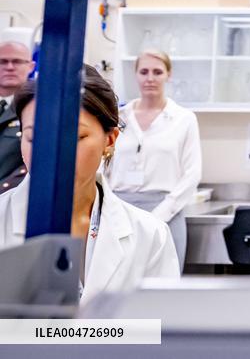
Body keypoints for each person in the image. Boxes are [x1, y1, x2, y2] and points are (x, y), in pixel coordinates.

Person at [0, 64, 179, 305]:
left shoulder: (150, 235)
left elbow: (160, 330)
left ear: (110, 139)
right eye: (35, 137)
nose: (52, 153)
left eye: (75, 137)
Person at [107, 50, 202, 266]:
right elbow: (104, 163)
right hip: (120, 210)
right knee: (116, 281)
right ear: (136, 75)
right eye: (144, 71)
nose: (150, 78)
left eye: (157, 72)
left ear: (169, 75)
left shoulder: (183, 119)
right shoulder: (119, 117)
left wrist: (160, 214)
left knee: (163, 285)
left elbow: (192, 173)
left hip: (166, 211)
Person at [0, 40, 35, 194]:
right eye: (2, 61)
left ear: (31, 66)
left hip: (11, 199)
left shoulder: (38, 107)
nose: (9, 67)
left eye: (17, 61)